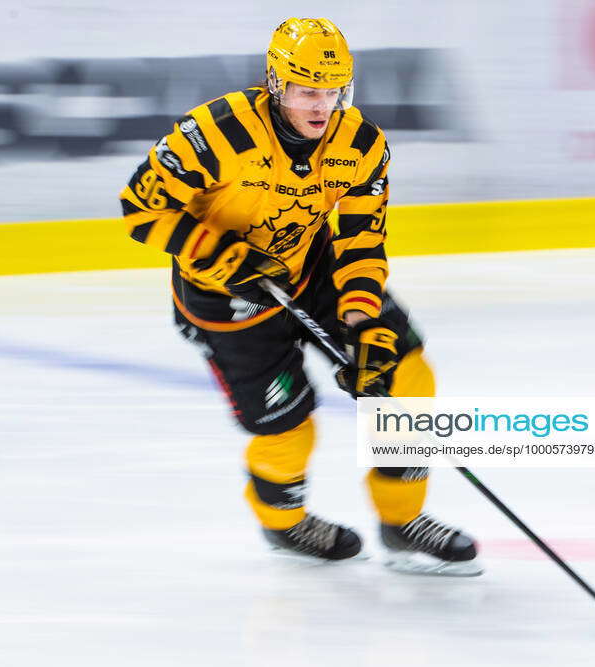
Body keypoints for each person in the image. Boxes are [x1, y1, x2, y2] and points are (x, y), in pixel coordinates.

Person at [120, 17, 479, 573]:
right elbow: (139, 209)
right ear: (276, 84)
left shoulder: (361, 144)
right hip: (224, 299)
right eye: (307, 91)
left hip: (311, 271)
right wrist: (222, 255)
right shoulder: (216, 133)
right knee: (288, 428)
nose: (320, 106)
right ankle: (285, 525)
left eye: (332, 92)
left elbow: (361, 242)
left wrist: (363, 324)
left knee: (404, 378)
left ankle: (402, 520)